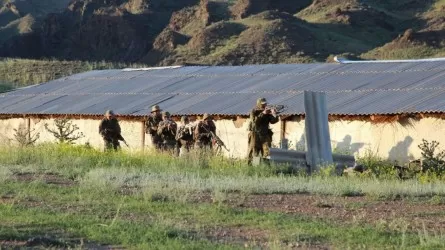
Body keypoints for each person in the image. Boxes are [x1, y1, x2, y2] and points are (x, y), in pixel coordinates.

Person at [247, 97, 279, 165]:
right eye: (262, 104)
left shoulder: (267, 112)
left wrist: (274, 114)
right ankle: (250, 167)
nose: (264, 105)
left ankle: (265, 167)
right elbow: (255, 122)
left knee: (267, 151)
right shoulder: (254, 111)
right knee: (253, 151)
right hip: (255, 135)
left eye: (265, 104)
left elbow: (273, 121)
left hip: (265, 135)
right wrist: (263, 113)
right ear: (259, 104)